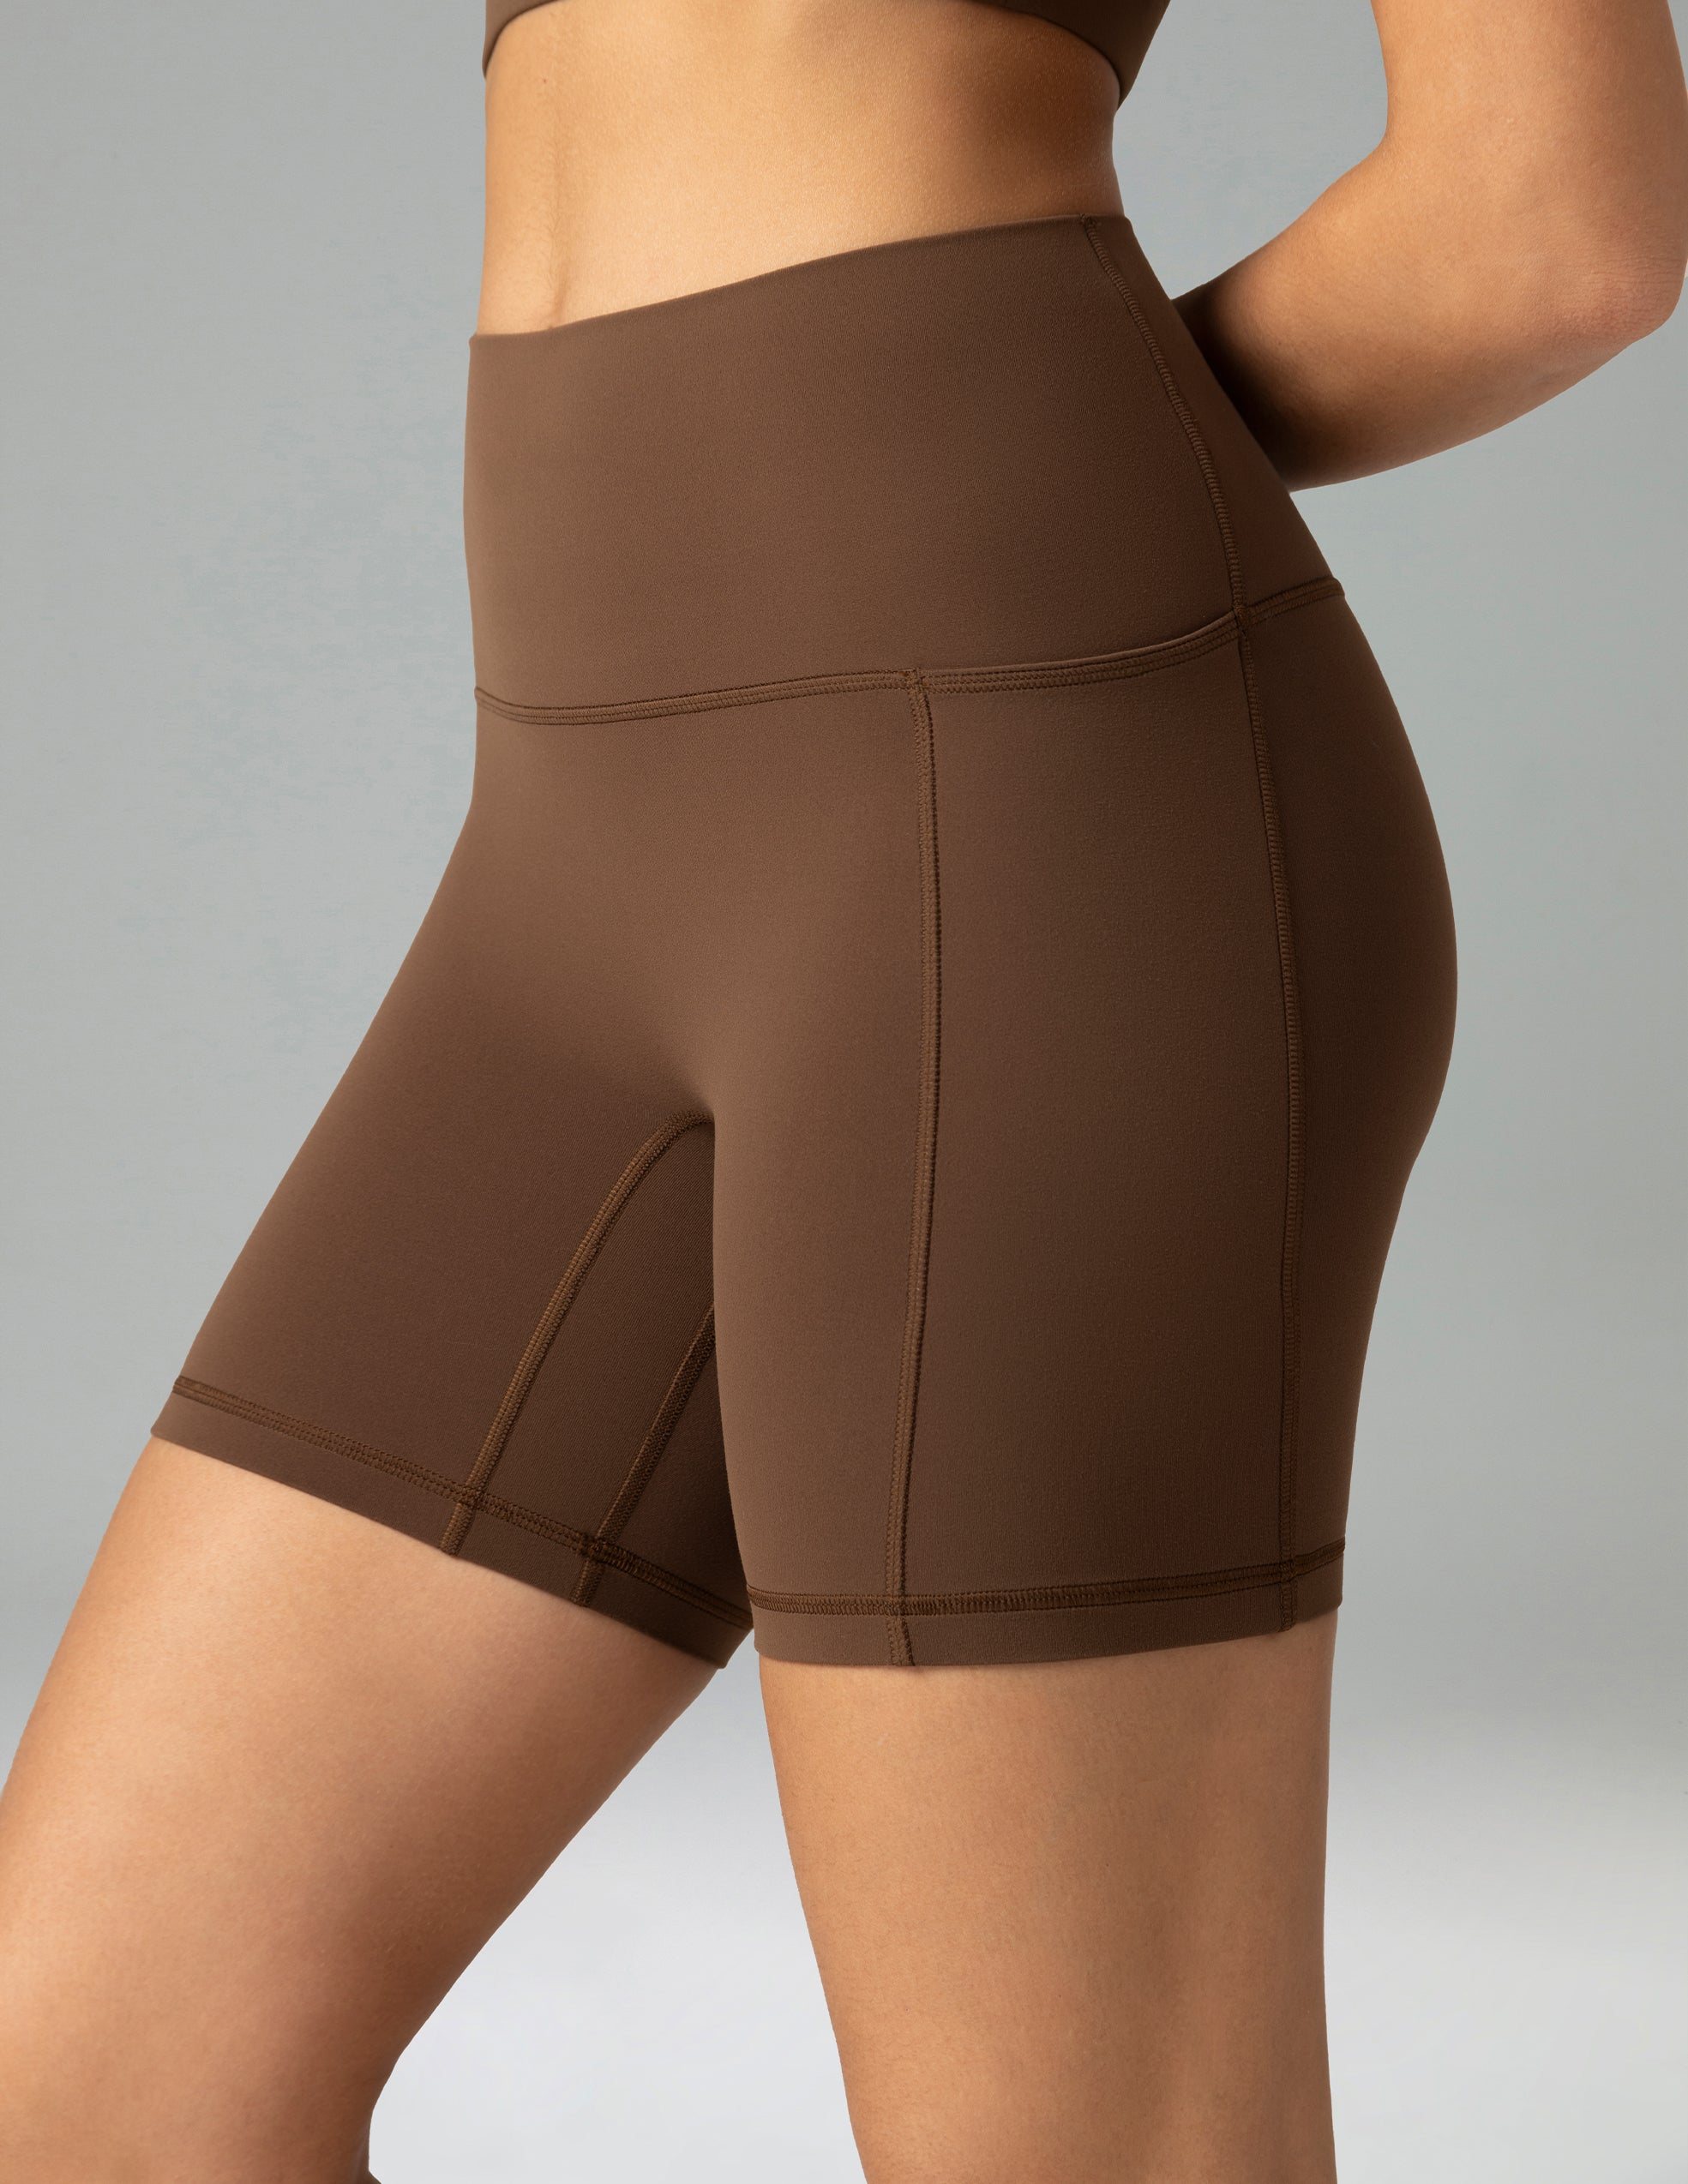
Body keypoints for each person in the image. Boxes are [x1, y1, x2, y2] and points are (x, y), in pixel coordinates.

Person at [2, 3, 1683, 2178]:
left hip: (1027, 786)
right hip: (566, 843)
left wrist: (1012, 428)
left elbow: (1547, 220)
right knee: (93, 2084)